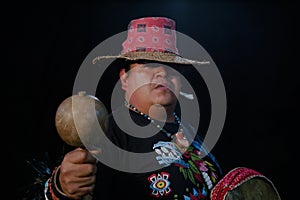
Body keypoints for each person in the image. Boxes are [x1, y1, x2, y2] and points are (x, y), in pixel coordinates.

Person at [44, 16, 281, 200]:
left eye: (171, 66)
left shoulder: (190, 132)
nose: (162, 72)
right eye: (147, 64)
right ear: (124, 80)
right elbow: (72, 184)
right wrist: (63, 186)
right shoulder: (110, 132)